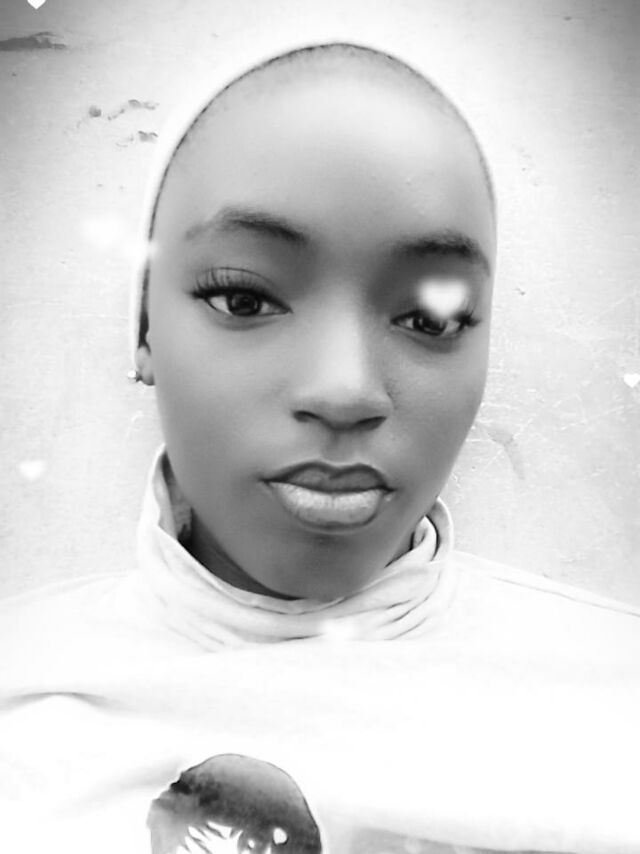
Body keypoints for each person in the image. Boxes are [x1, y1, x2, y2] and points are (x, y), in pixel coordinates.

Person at [1, 42, 639, 854]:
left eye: (432, 317)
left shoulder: (617, 713)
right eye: (244, 298)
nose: (346, 391)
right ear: (145, 328)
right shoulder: (21, 701)